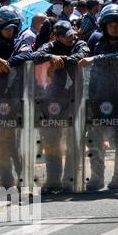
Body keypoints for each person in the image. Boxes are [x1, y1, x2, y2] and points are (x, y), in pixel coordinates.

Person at [27, 20, 89, 192]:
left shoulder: (80, 44)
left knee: (72, 140)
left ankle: (70, 180)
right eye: (66, 37)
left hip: (75, 99)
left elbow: (81, 56)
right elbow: (35, 55)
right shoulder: (50, 46)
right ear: (57, 37)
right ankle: (53, 180)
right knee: (52, 141)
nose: (71, 39)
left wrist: (61, 60)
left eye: (72, 35)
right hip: (52, 101)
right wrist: (51, 57)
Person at [80, 3, 118, 190]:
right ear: (104, 25)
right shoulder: (95, 40)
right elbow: (82, 58)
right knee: (94, 141)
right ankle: (96, 178)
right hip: (97, 97)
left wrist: (95, 59)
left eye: (117, 24)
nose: (114, 27)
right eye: (110, 24)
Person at [0, 6, 32, 188]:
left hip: (16, 100)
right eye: (6, 29)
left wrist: (5, 63)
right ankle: (3, 179)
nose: (10, 32)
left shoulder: (20, 43)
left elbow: (27, 54)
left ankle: (22, 177)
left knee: (13, 143)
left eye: (12, 28)